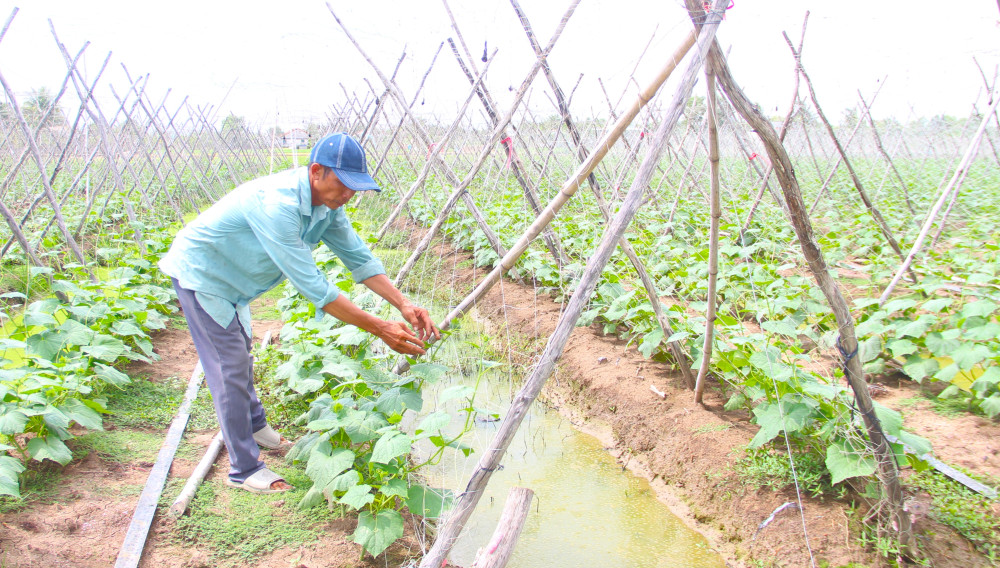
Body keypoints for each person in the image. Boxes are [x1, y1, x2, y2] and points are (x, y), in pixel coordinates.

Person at [159, 132, 439, 494]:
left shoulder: (327, 206)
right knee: (228, 366)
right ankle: (243, 469)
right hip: (204, 276)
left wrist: (403, 304)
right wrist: (381, 327)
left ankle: (255, 426)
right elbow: (315, 288)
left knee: (240, 354)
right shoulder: (278, 205)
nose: (349, 195)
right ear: (317, 171)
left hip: (235, 280)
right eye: (344, 185)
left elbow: (359, 257)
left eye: (356, 188)